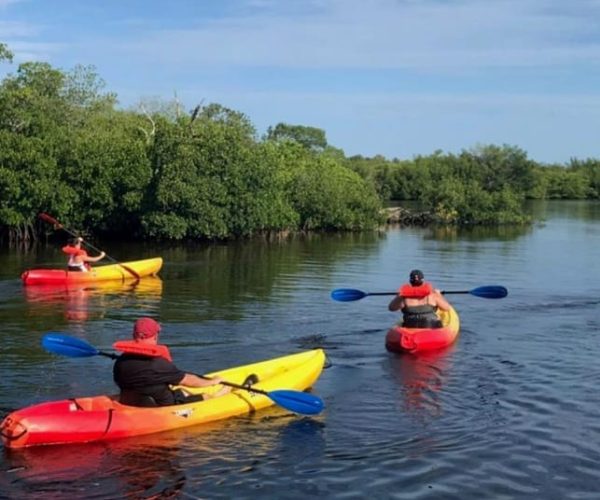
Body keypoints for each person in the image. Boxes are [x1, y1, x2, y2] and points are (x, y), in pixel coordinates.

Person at [113, 317, 232, 407]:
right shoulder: (158, 364)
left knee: (183, 391)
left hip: (134, 402)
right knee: (205, 396)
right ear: (155, 336)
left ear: (134, 334)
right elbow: (189, 381)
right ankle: (220, 395)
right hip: (165, 406)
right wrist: (213, 381)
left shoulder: (121, 361)